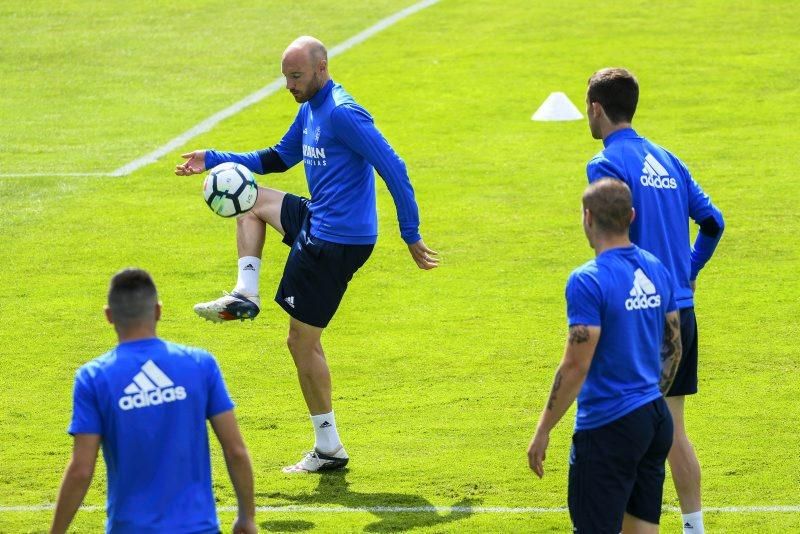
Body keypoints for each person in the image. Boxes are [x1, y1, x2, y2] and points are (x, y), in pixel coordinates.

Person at [175, 36, 437, 473]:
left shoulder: (343, 114)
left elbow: (395, 168)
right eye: (285, 77)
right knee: (249, 198)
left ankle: (329, 447)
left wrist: (410, 233)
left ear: (321, 68)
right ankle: (246, 292)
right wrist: (214, 157)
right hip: (320, 220)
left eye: (295, 76)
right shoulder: (309, 109)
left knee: (301, 341)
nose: (289, 85)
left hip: (335, 242)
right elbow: (277, 157)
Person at [584, 67, 725, 534]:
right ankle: (694, 527)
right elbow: (713, 221)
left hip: (640, 316)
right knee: (672, 429)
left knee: (632, 429)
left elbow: (606, 239)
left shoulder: (604, 165)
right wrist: (689, 269)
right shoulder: (669, 159)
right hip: (679, 308)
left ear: (598, 109)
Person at [528, 179, 682, 533]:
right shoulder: (656, 269)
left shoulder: (588, 280)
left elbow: (575, 364)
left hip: (608, 426)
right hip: (654, 420)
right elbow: (674, 345)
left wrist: (543, 429)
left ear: (587, 217)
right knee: (642, 530)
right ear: (631, 215)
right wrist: (649, 396)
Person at [50, 268, 256, 534]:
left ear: (109, 316)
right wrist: (246, 517)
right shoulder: (200, 364)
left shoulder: (93, 377)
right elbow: (235, 450)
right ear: (158, 311)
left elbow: (81, 470)